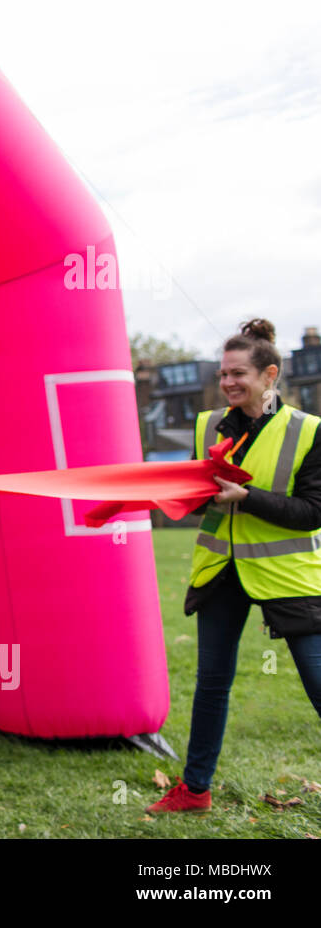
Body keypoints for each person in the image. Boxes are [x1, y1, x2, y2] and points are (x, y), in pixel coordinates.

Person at [150, 318, 321, 813]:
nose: (228, 383)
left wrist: (246, 498)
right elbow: (198, 496)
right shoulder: (207, 425)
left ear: (269, 376)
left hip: (289, 578)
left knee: (318, 684)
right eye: (224, 373)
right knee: (211, 685)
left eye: (239, 374)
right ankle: (195, 789)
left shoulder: (309, 432)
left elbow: (313, 512)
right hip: (220, 573)